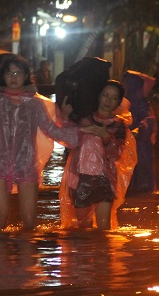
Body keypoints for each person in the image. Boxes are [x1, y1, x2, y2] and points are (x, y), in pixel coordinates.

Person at [0, 54, 81, 231]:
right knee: (0, 218)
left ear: (26, 76)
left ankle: (26, 255)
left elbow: (51, 130)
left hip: (27, 163)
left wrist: (68, 121)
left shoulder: (34, 104)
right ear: (2, 76)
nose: (13, 78)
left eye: (17, 73)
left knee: (29, 221)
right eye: (9, 73)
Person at [59, 80, 137, 230]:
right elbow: (67, 140)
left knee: (104, 229)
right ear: (98, 96)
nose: (108, 100)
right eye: (105, 95)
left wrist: (105, 136)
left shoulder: (118, 126)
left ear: (119, 102)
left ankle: (103, 253)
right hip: (80, 179)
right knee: (83, 228)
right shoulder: (84, 119)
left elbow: (118, 156)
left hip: (105, 180)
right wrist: (64, 117)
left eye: (114, 98)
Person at [123, 70, 157, 193]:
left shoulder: (140, 103)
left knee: (140, 168)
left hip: (139, 143)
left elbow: (147, 121)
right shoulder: (128, 101)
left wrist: (138, 130)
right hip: (132, 142)